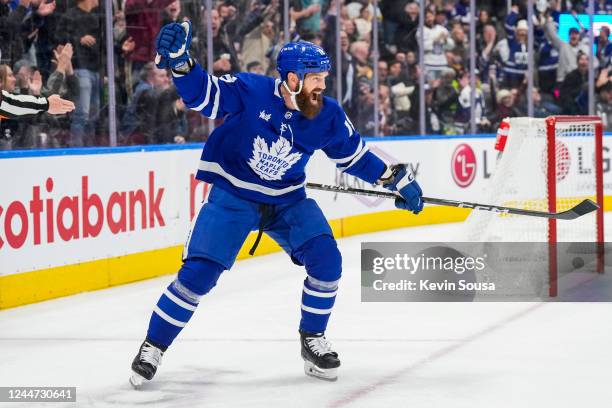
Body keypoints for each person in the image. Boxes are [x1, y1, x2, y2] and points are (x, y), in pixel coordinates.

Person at [129, 20, 424, 387]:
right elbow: (204, 97)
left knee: (327, 261)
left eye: (323, 77)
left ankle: (312, 339)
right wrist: (182, 64)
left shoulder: (326, 113)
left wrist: (393, 178)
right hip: (233, 197)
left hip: (287, 201)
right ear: (291, 77)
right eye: (314, 76)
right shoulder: (250, 90)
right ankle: (153, 345)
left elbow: (354, 156)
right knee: (198, 276)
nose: (321, 84)